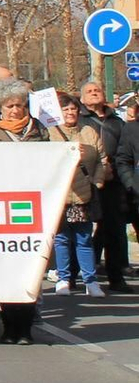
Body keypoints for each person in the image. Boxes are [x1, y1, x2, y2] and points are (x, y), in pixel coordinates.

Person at [0, 78, 48, 344]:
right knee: (6, 270)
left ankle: (25, 329)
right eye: (10, 105)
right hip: (1, 206)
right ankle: (9, 327)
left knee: (29, 268)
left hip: (32, 205)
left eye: (20, 105)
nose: (16, 110)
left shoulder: (38, 129)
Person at [48, 91, 107, 299]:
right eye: (66, 109)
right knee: (62, 239)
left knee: (84, 239)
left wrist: (98, 181)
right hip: (61, 195)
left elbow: (102, 159)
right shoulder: (50, 133)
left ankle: (90, 281)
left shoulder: (90, 131)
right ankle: (64, 278)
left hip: (84, 194)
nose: (71, 113)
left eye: (73, 109)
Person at [78, 80, 132, 292]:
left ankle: (116, 277)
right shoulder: (79, 120)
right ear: (82, 98)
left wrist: (113, 168)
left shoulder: (117, 122)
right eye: (89, 91)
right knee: (79, 229)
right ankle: (73, 274)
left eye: (97, 90)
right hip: (84, 179)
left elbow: (124, 148)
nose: (94, 94)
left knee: (114, 229)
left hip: (112, 181)